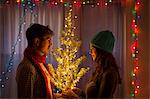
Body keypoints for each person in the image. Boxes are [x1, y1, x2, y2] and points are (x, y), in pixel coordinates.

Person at [61, 30, 121, 98]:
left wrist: (74, 97)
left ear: (100, 51)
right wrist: (80, 93)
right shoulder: (99, 70)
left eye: (92, 49)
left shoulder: (109, 74)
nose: (90, 52)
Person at [16, 23, 54, 98]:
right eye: (48, 39)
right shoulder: (27, 68)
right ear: (37, 42)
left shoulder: (40, 64)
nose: (51, 43)